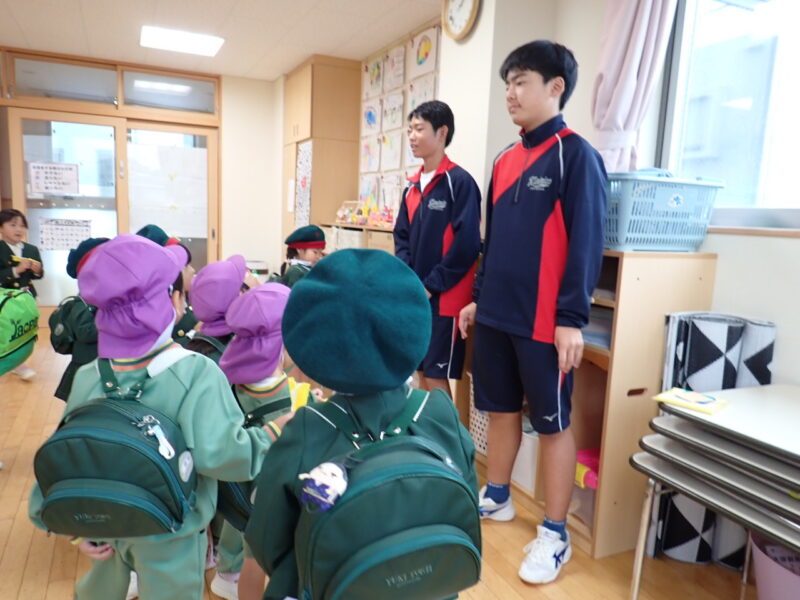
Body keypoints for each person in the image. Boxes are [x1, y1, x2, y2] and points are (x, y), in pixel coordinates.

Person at [28, 234, 288, 600]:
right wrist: (275, 431)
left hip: (107, 524)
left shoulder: (89, 374)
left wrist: (75, 529)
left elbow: (70, 452)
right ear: (173, 301)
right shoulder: (196, 372)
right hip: (172, 532)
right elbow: (224, 456)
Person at [244, 249, 477, 600]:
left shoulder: (306, 430)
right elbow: (466, 503)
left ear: (313, 344)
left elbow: (267, 542)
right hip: (430, 585)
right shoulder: (439, 411)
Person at [458, 40, 607, 585]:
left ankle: (555, 533)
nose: (511, 93)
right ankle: (498, 495)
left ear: (555, 87)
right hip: (497, 314)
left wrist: (571, 319)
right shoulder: (503, 160)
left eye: (521, 81)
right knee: (499, 410)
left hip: (546, 324)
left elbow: (587, 243)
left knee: (553, 424)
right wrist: (478, 296)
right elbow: (491, 241)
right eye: (508, 83)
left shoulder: (577, 156)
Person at [393, 100, 481, 396]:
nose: (412, 136)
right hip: (416, 296)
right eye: (410, 130)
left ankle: (446, 428)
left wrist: (431, 285)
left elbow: (467, 245)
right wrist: (410, 282)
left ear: (442, 132)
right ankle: (426, 426)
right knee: (419, 372)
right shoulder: (411, 186)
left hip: (445, 300)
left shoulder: (460, 182)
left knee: (436, 375)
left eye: (419, 129)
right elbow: (401, 237)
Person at [51, 237, 109, 401]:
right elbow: (85, 332)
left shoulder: (105, 295)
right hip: (87, 366)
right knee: (84, 407)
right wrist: (115, 325)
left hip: (101, 363)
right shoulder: (83, 299)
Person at [0, 208, 43, 380]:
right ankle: (16, 363)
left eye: (22, 226)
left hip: (27, 297)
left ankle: (18, 360)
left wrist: (38, 270)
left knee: (26, 330)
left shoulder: (31, 249)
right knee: (9, 331)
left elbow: (39, 275)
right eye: (13, 225)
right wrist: (16, 270)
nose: (18, 229)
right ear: (1, 228)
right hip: (6, 300)